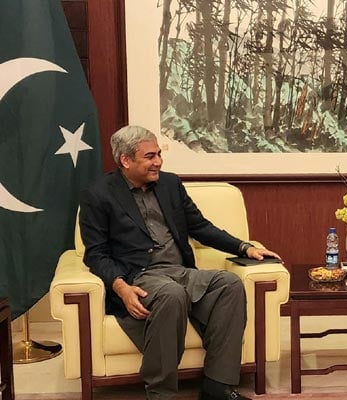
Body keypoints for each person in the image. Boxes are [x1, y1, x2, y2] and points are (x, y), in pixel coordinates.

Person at [79, 125, 281, 400]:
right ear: (125, 160)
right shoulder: (99, 194)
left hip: (180, 271)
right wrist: (121, 287)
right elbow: (96, 253)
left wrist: (245, 247)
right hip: (139, 275)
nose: (158, 162)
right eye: (150, 156)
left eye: (159, 154)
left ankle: (217, 387)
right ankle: (161, 393)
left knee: (229, 285)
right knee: (171, 296)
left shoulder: (170, 184)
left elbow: (200, 227)